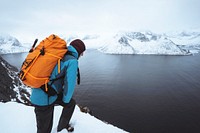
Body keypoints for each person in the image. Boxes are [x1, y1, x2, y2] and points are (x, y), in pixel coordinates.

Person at [30, 39, 86, 133]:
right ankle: (61, 128)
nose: (82, 55)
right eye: (82, 52)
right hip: (45, 99)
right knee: (44, 130)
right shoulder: (72, 61)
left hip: (43, 92)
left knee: (70, 104)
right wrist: (65, 100)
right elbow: (69, 85)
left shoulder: (60, 54)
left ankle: (62, 128)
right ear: (79, 50)